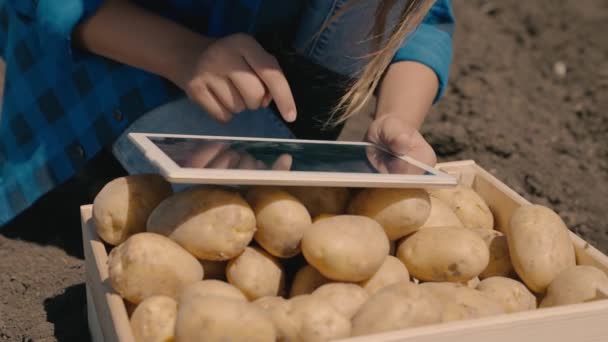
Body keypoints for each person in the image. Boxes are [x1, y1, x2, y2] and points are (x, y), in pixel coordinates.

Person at [0, 0, 454, 231]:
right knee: (234, 220)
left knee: (275, 222)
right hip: (122, 71)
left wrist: (398, 118)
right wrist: (186, 56)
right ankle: (100, 166)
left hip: (268, 81)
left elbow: (422, 16)